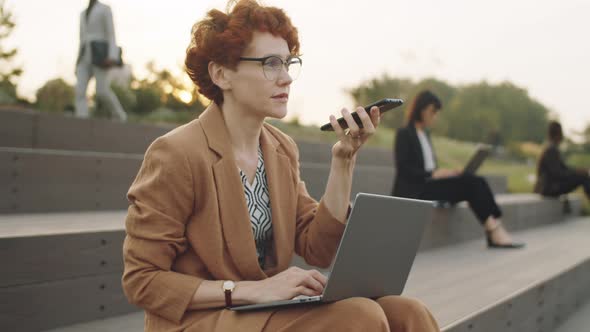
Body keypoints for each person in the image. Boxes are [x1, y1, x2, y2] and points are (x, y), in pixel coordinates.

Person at [121, 1, 440, 331]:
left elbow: (317, 248)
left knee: (409, 313)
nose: (286, 78)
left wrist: (343, 162)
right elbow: (142, 281)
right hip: (203, 319)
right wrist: (250, 291)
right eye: (270, 64)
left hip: (265, 309)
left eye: (289, 63)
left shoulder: (281, 149)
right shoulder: (176, 153)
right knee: (361, 317)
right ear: (221, 74)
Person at [391, 90, 524, 249]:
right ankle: (493, 230)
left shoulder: (425, 134)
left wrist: (445, 173)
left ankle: (494, 224)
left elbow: (428, 165)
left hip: (430, 183)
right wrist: (433, 173)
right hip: (416, 189)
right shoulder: (404, 133)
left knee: (474, 179)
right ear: (422, 109)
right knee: (470, 183)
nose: (435, 116)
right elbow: (404, 169)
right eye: (433, 111)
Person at [74, 0, 127, 121]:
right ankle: (81, 120)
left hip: (100, 55)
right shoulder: (82, 13)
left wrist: (112, 56)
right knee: (79, 91)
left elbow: (111, 34)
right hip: (84, 56)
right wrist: (77, 62)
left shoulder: (105, 9)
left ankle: (120, 116)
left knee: (102, 91)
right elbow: (81, 38)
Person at [534, 121, 590, 199]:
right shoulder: (551, 150)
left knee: (583, 175)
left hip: (548, 187)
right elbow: (558, 173)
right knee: (584, 178)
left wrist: (579, 171)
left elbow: (564, 168)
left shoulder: (549, 147)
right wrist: (578, 173)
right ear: (558, 134)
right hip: (548, 189)